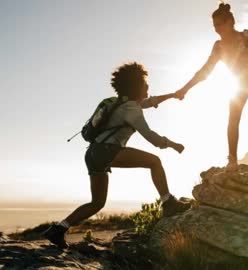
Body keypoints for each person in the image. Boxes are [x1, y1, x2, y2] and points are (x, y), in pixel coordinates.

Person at [43, 62, 191, 249]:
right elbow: (151, 137)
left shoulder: (122, 103)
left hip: (93, 153)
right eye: (145, 84)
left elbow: (148, 102)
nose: (148, 87)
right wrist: (173, 145)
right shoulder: (132, 109)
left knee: (97, 203)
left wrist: (172, 95)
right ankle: (168, 202)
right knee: (155, 161)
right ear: (136, 86)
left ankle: (58, 229)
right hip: (108, 151)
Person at [175, 3, 248, 177]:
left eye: (220, 24)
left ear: (231, 21)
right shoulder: (218, 47)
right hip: (238, 85)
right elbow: (205, 71)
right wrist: (185, 89)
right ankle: (232, 160)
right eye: (214, 26)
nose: (217, 29)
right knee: (233, 120)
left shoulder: (246, 36)